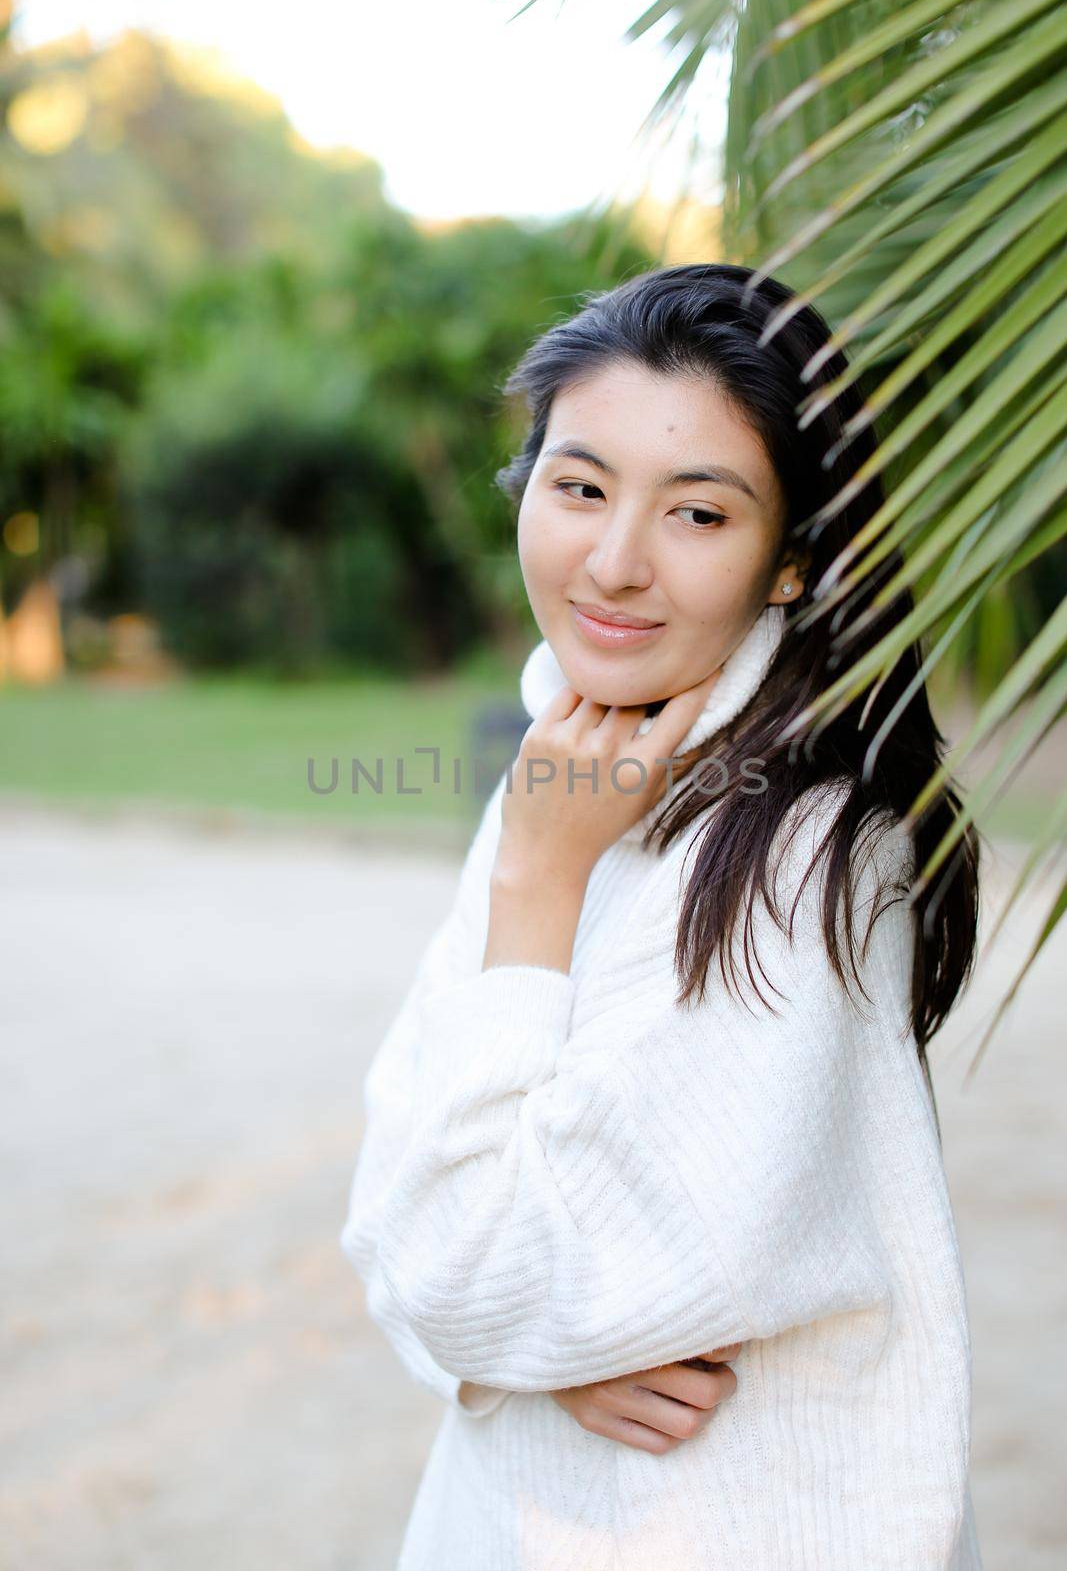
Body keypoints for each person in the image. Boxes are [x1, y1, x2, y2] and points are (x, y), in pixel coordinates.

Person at [339, 263, 983, 1569]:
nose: (615, 564)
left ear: (794, 558)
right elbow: (397, 1216)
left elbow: (462, 1263)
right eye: (579, 488)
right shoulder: (574, 766)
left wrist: (534, 884)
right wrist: (531, 1346)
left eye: (698, 512)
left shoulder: (804, 858)